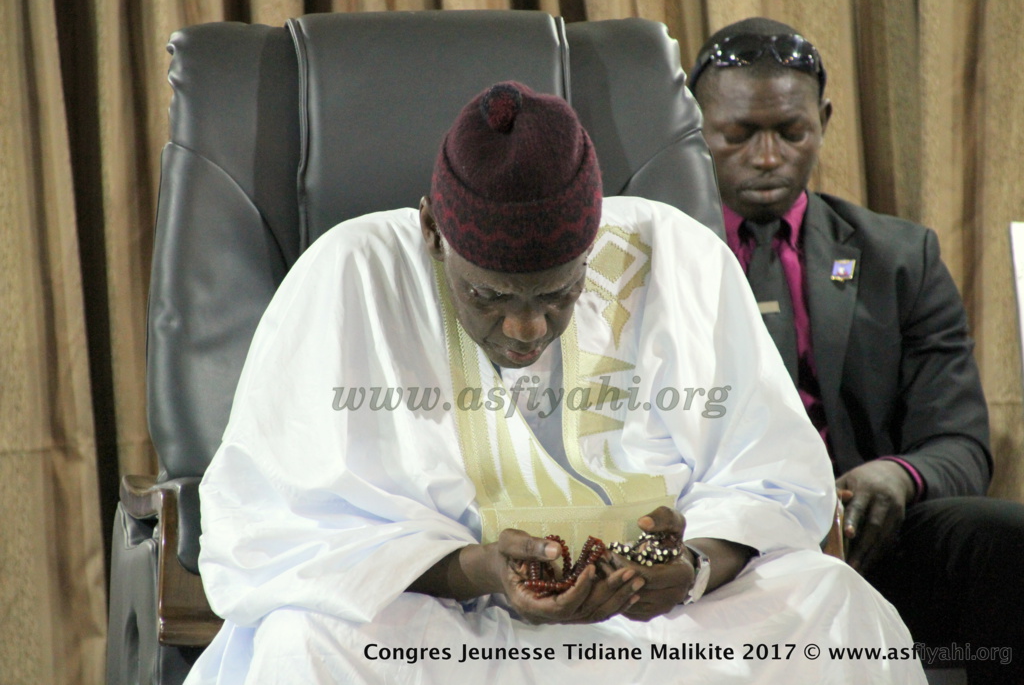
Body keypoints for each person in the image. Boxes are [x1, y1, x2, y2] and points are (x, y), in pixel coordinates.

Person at [184, 81, 925, 683]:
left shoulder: (675, 255)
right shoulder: (351, 274)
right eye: (489, 297)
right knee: (303, 643)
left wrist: (691, 568)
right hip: (449, 631)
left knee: (835, 610)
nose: (527, 329)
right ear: (433, 232)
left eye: (558, 294)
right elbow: (274, 524)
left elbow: (773, 478)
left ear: (595, 237)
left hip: (658, 630)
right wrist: (478, 569)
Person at [690, 16, 1024, 684]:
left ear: (823, 121)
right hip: (724, 545)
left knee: (1008, 537)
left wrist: (896, 477)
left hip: (866, 535)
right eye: (738, 134)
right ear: (696, 124)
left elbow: (960, 442)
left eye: (791, 132)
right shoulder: (659, 259)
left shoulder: (901, 257)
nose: (766, 156)